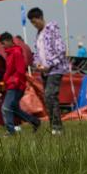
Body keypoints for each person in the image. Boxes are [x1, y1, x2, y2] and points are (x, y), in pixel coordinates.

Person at [28, 7, 69, 135]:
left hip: (55, 69)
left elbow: (61, 49)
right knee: (47, 98)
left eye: (35, 22)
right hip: (44, 71)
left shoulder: (51, 30)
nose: (34, 25)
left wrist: (49, 64)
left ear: (40, 18)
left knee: (50, 95)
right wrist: (36, 64)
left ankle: (57, 127)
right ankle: (54, 126)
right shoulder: (39, 34)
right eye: (32, 23)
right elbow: (37, 53)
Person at [0, 32, 40, 135]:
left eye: (3, 43)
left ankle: (10, 131)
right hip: (11, 84)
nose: (3, 46)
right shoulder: (9, 53)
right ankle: (34, 121)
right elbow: (9, 70)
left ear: (9, 41)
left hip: (16, 85)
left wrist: (14, 82)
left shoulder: (16, 53)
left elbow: (21, 71)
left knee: (6, 107)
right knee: (13, 108)